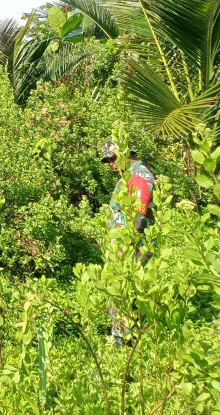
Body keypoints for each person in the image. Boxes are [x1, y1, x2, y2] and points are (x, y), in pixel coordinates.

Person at [100, 139, 156, 347]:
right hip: (125, 244)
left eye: (113, 158)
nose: (112, 163)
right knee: (124, 291)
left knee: (124, 291)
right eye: (108, 160)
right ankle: (127, 337)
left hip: (133, 245)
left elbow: (137, 217)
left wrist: (127, 246)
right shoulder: (128, 177)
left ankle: (123, 341)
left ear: (126, 153)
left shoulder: (139, 176)